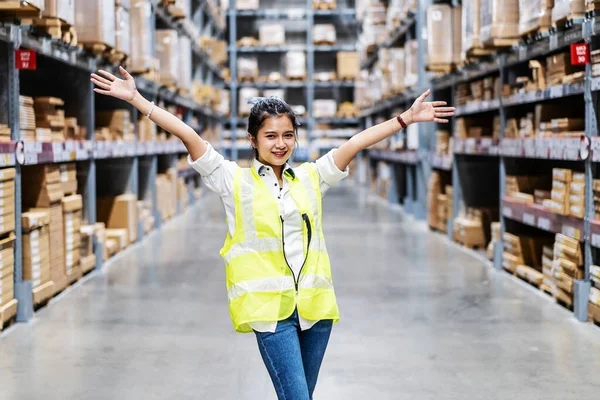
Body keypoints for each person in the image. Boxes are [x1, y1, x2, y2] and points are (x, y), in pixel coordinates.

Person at [91, 66, 455, 399]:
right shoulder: (232, 180)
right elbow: (188, 133)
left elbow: (356, 143)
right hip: (270, 314)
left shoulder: (312, 178)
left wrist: (406, 119)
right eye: (270, 136)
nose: (280, 143)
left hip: (316, 310)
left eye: (288, 135)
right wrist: (137, 100)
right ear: (253, 139)